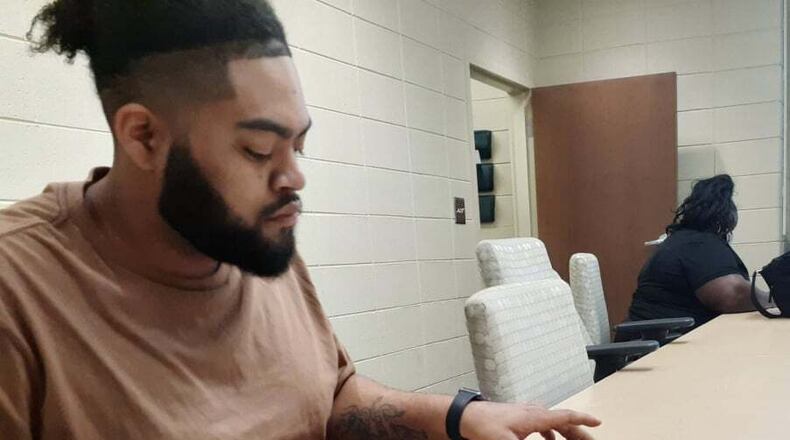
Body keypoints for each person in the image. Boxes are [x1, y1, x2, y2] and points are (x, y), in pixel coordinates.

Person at [0, 1, 600, 439]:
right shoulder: (20, 292)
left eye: (299, 145)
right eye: (259, 150)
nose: (293, 178)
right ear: (144, 136)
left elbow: (331, 395)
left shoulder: (252, 239)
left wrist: (458, 416)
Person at [627, 174, 773, 332]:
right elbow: (733, 295)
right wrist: (773, 300)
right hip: (662, 342)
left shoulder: (685, 240)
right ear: (726, 214)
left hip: (659, 337)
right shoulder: (697, 244)